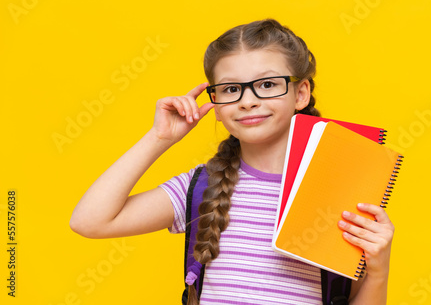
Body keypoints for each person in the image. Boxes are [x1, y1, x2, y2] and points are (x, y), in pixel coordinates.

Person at [70, 19, 395, 305]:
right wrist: (159, 138)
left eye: (267, 84)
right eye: (230, 89)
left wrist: (378, 271)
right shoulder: (201, 187)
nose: (248, 101)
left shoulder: (340, 189)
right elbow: (90, 221)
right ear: (215, 99)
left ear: (300, 93)